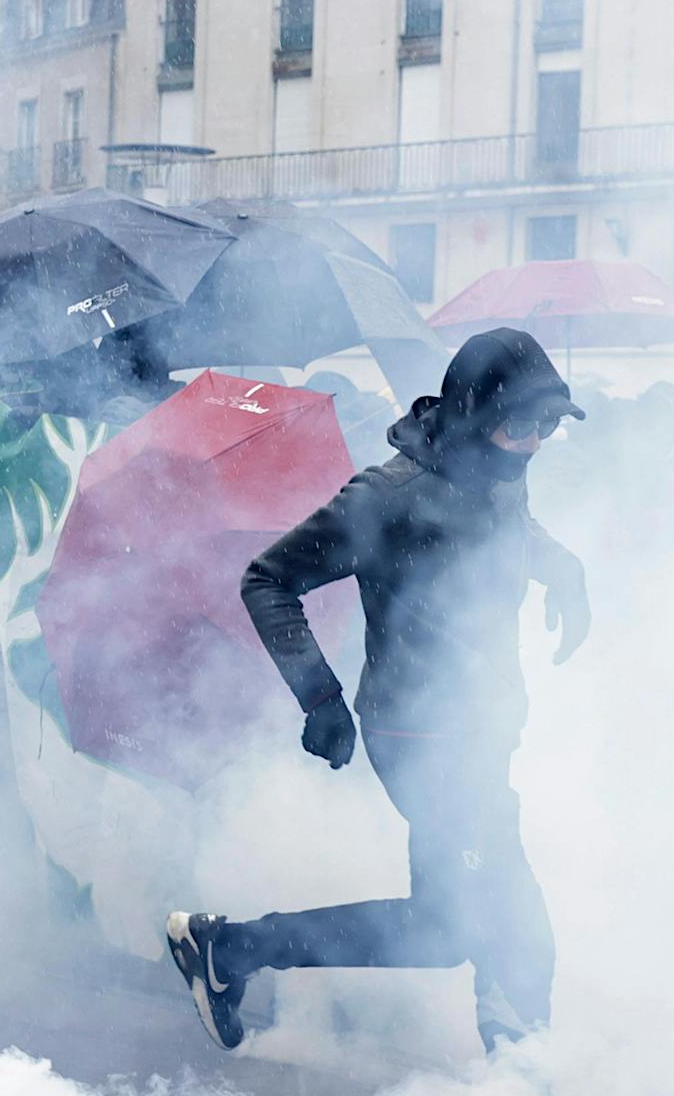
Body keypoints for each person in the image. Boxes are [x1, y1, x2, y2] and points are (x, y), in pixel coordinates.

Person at [164, 327, 591, 1055]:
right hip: (419, 738)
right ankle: (521, 1059)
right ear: (472, 414)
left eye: (550, 426)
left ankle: (229, 950)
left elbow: (511, 521)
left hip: (481, 731)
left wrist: (564, 567)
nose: (535, 443)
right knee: (492, 918)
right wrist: (320, 699)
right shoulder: (388, 496)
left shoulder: (499, 467)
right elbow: (267, 580)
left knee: (460, 921)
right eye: (523, 423)